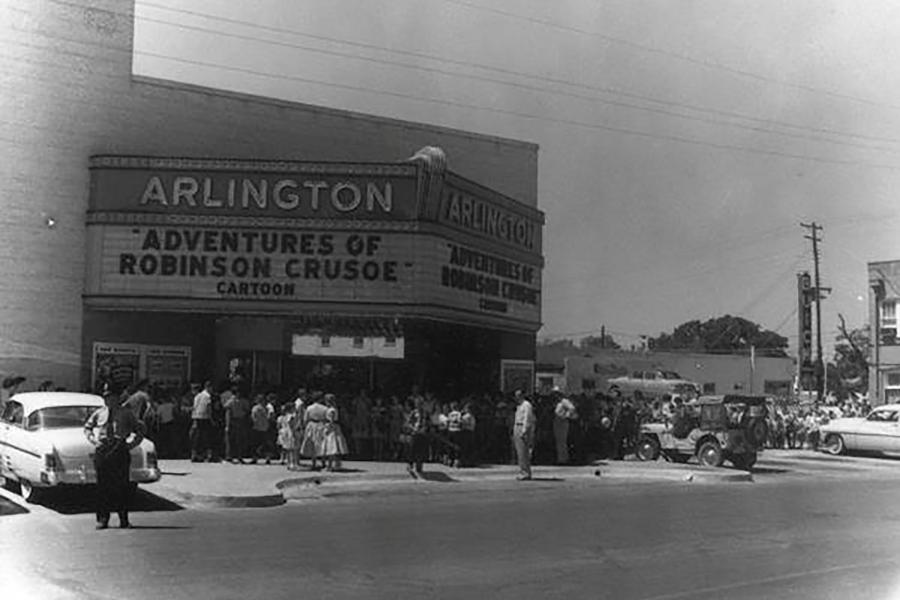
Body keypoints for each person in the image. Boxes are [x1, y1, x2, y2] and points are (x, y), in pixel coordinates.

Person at [84, 388, 144, 529]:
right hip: (103, 449)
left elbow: (140, 429)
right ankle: (103, 519)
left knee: (122, 485)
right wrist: (93, 440)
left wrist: (131, 444)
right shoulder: (99, 413)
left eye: (111, 397)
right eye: (106, 397)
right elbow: (87, 427)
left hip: (119, 449)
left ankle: (124, 519)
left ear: (117, 398)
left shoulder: (126, 413)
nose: (108, 400)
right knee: (102, 486)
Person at [301, 393, 329, 470]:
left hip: (311, 425)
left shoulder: (309, 408)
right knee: (322, 443)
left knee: (312, 443)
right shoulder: (325, 408)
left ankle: (314, 462)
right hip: (321, 425)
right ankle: (323, 462)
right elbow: (327, 418)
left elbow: (305, 419)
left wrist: (305, 427)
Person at [512, 390, 536, 481]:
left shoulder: (527, 405)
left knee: (523, 452)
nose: (516, 397)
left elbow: (527, 418)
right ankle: (522, 471)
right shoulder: (519, 405)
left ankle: (526, 472)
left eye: (518, 395)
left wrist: (524, 430)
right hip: (517, 426)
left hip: (522, 427)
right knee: (519, 452)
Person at [223, 386, 251, 464]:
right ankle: (229, 456)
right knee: (231, 439)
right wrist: (227, 425)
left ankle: (239, 456)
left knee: (240, 439)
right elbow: (228, 413)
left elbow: (247, 410)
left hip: (240, 420)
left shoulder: (242, 401)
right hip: (234, 420)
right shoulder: (231, 401)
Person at [322, 394, 349, 471]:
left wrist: (327, 429)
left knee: (331, 447)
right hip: (335, 428)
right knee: (333, 448)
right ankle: (336, 464)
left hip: (332, 429)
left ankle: (330, 466)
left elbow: (331, 421)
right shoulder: (334, 409)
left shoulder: (331, 410)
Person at [403, 396, 428, 476]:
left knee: (421, 450)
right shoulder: (414, 412)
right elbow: (409, 422)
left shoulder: (425, 413)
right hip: (415, 433)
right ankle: (410, 464)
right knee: (412, 449)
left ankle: (419, 464)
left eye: (421, 404)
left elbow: (428, 422)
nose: (419, 405)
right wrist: (413, 428)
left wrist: (425, 428)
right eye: (418, 404)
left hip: (422, 433)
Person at [190, 380, 214, 462]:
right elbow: (208, 407)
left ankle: (194, 454)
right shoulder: (207, 396)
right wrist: (211, 419)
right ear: (208, 387)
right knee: (207, 437)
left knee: (196, 437)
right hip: (205, 418)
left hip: (196, 417)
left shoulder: (197, 396)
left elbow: (194, 407)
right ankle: (208, 454)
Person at [552, 389, 578, 465]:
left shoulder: (564, 401)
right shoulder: (558, 402)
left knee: (562, 441)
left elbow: (572, 408)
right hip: (557, 421)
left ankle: (563, 459)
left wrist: (567, 415)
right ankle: (561, 458)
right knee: (559, 441)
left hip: (562, 422)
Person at [250, 393, 272, 464]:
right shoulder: (267, 408)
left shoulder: (255, 408)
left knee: (256, 444)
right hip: (265, 427)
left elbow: (253, 418)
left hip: (257, 428)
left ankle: (255, 458)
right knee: (266, 444)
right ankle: (267, 457)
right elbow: (269, 417)